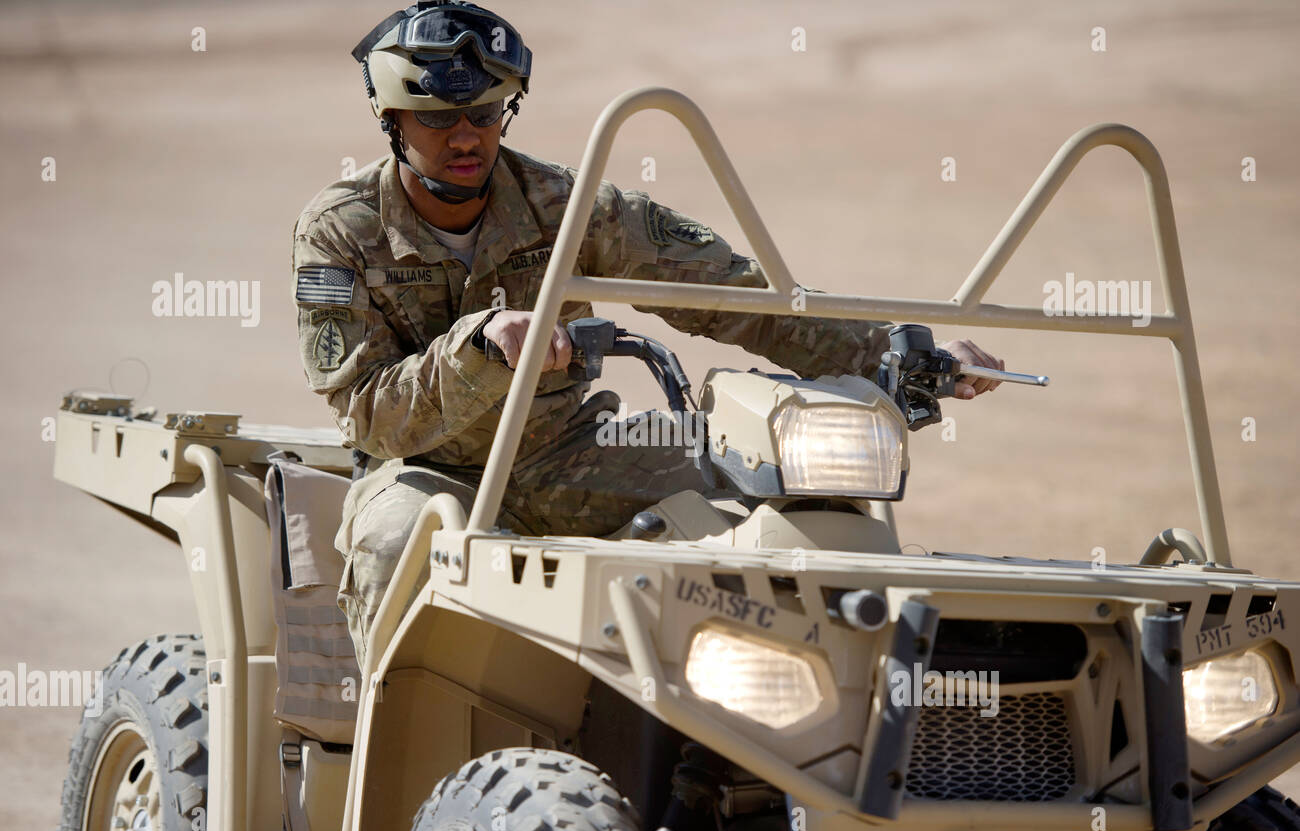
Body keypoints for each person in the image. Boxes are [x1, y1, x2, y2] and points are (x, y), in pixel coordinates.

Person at [292, 1, 1005, 662]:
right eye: (439, 117)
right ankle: (405, 773)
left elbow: (733, 294)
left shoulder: (565, 206)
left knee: (779, 509)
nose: (468, 136)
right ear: (391, 116)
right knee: (393, 546)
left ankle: (776, 740)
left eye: (485, 111)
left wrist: (896, 353)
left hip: (566, 452)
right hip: (423, 469)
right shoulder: (341, 230)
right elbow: (366, 413)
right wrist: (479, 347)